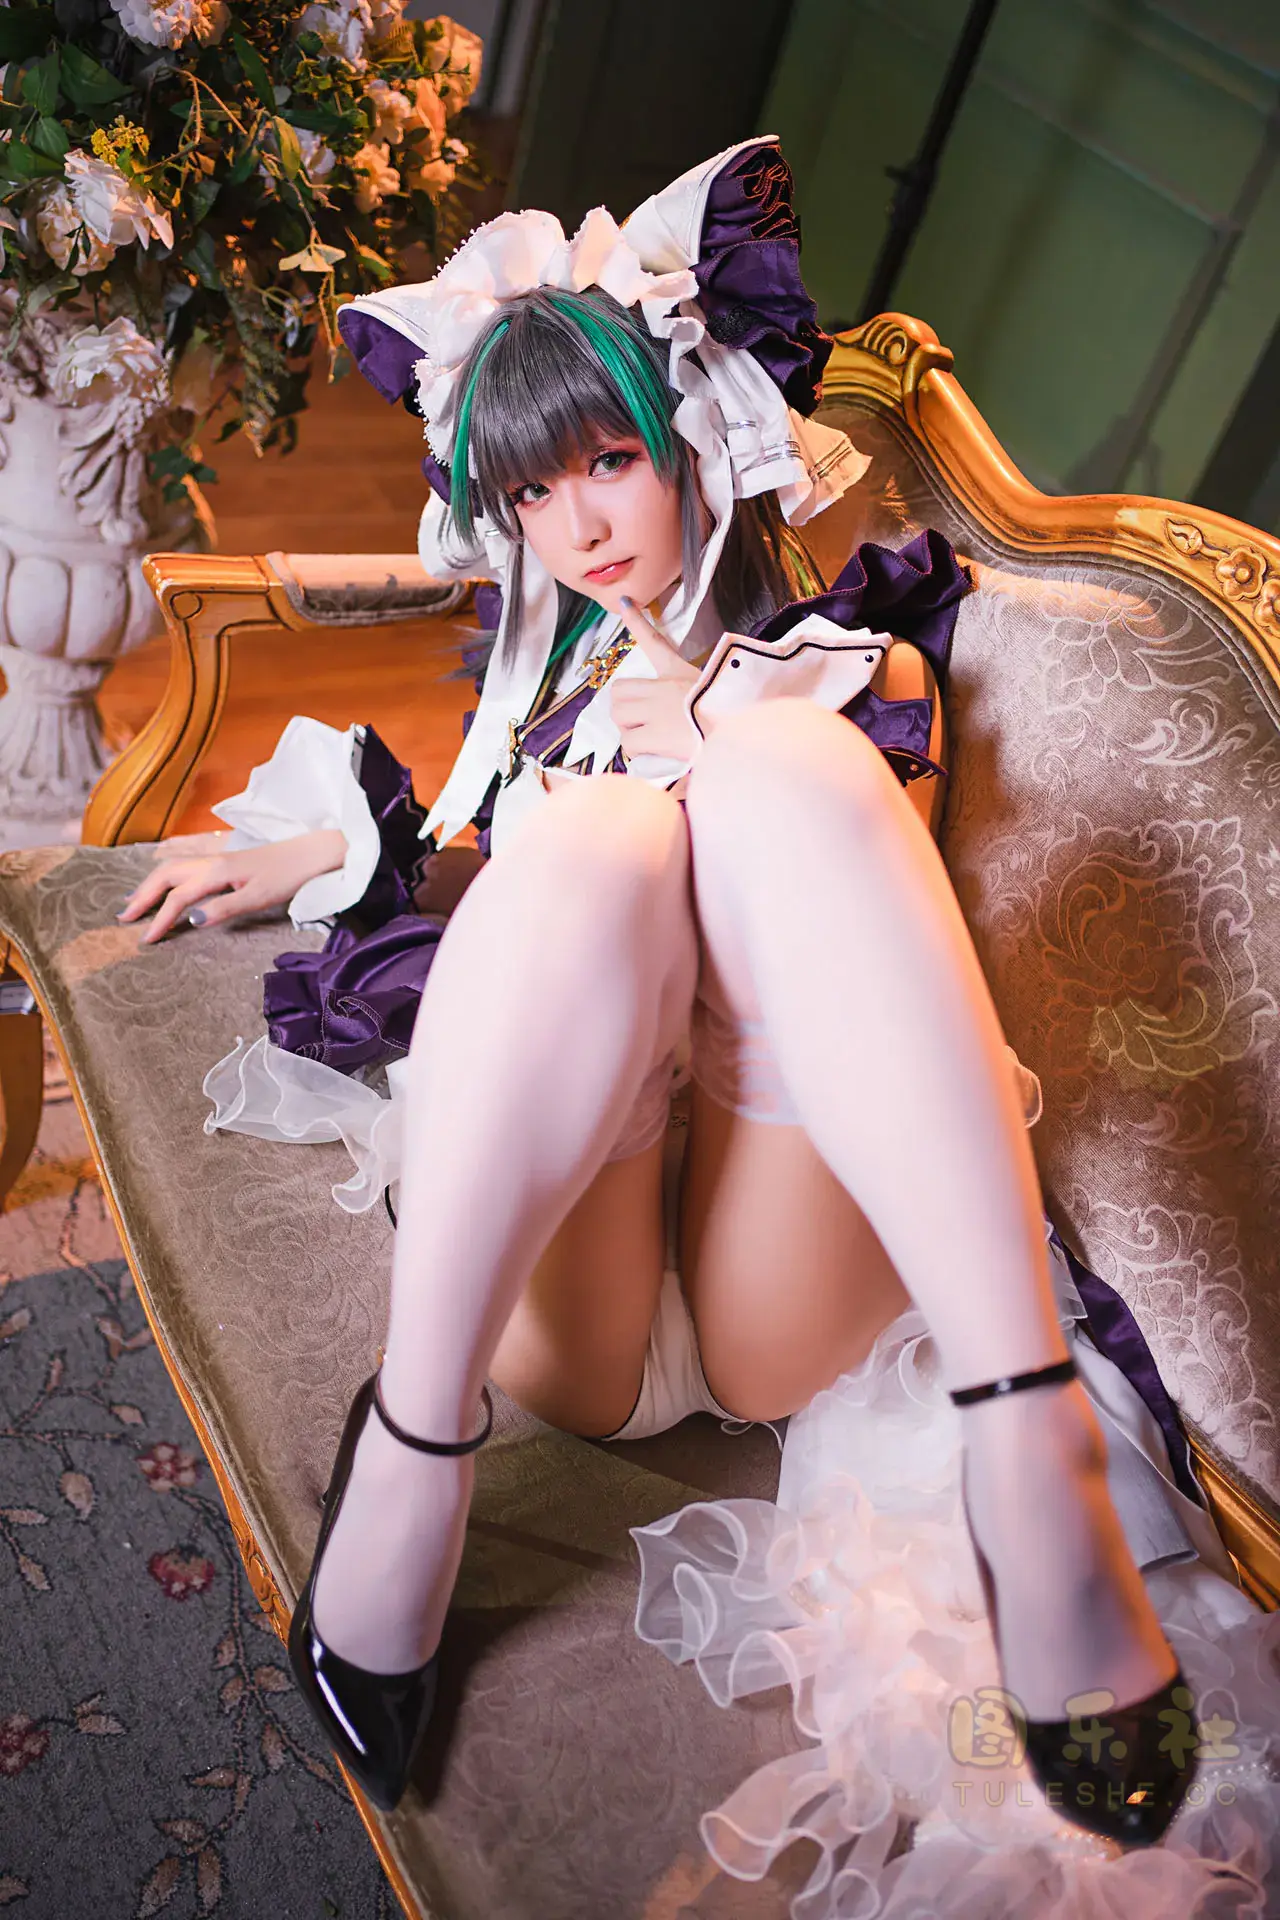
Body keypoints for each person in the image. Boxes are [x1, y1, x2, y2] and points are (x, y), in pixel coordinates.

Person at [117, 141, 1277, 1906]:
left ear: (695, 438)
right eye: (533, 493)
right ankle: (412, 1451)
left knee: (775, 769)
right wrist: (313, 853)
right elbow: (490, 884)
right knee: (590, 839)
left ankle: (1024, 1441)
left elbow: (857, 952)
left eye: (608, 460)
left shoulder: (859, 670)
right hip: (568, 1291)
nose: (581, 526)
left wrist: (730, 729)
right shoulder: (556, 693)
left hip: (770, 1287)